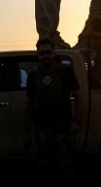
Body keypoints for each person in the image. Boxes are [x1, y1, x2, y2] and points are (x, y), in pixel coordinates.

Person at [25, 38, 83, 187]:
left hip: (63, 127)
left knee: (67, 167)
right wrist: (28, 130)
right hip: (42, 128)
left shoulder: (66, 72)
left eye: (48, 52)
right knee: (44, 168)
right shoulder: (33, 76)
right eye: (42, 53)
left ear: (54, 53)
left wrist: (77, 121)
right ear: (38, 55)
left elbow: (78, 97)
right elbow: (30, 104)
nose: (45, 56)